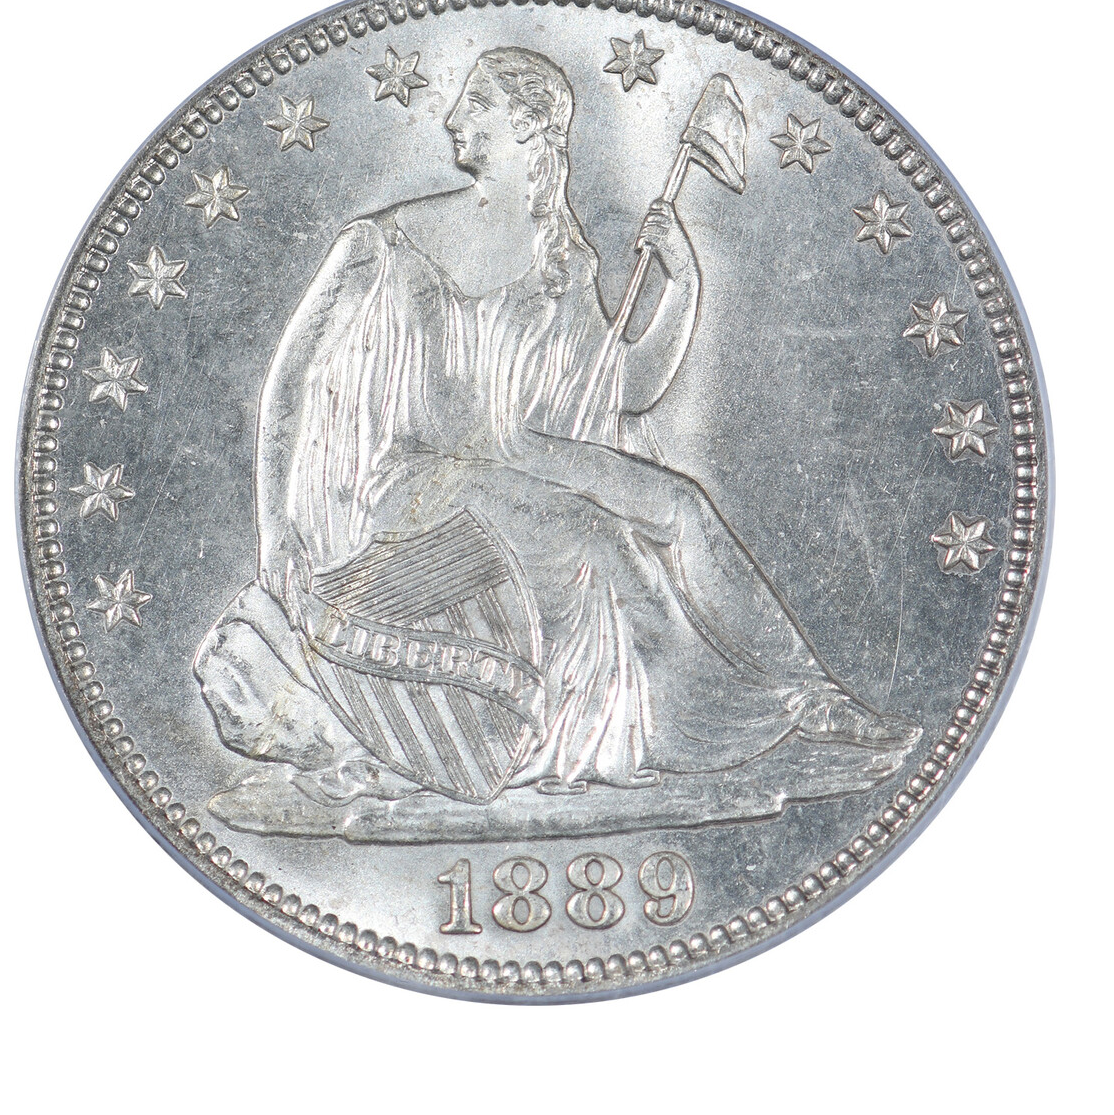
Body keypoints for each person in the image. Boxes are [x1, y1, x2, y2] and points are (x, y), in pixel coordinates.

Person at [195, 46, 915, 816]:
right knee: (596, 534)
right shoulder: (383, 242)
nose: (454, 117)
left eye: (477, 102)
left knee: (681, 504)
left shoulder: (561, 259)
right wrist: (278, 528)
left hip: (517, 455)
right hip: (415, 480)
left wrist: (683, 283)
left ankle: (807, 696)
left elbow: (627, 388)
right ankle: (691, 729)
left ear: (530, 126)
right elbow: (293, 378)